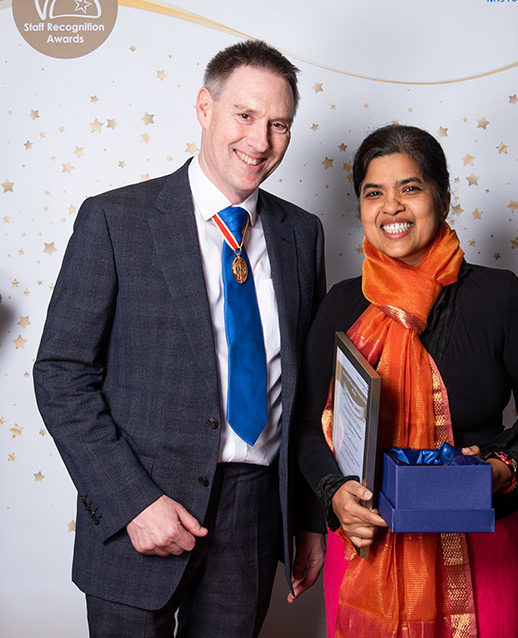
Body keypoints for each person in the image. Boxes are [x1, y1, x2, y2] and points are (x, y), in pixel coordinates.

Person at [33, 39, 326, 638]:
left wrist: (309, 518)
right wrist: (132, 502)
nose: (261, 140)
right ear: (204, 107)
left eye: (279, 124)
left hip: (253, 514)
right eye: (246, 116)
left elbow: (306, 394)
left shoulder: (303, 233)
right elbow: (61, 373)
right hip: (138, 511)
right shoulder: (115, 220)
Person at [295, 124, 518, 638]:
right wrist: (334, 494)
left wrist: (499, 469)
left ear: (441, 196)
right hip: (367, 540)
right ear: (360, 207)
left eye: (410, 188)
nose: (391, 207)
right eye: (374, 193)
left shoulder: (499, 297)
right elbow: (309, 423)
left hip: (479, 541)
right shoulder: (342, 303)